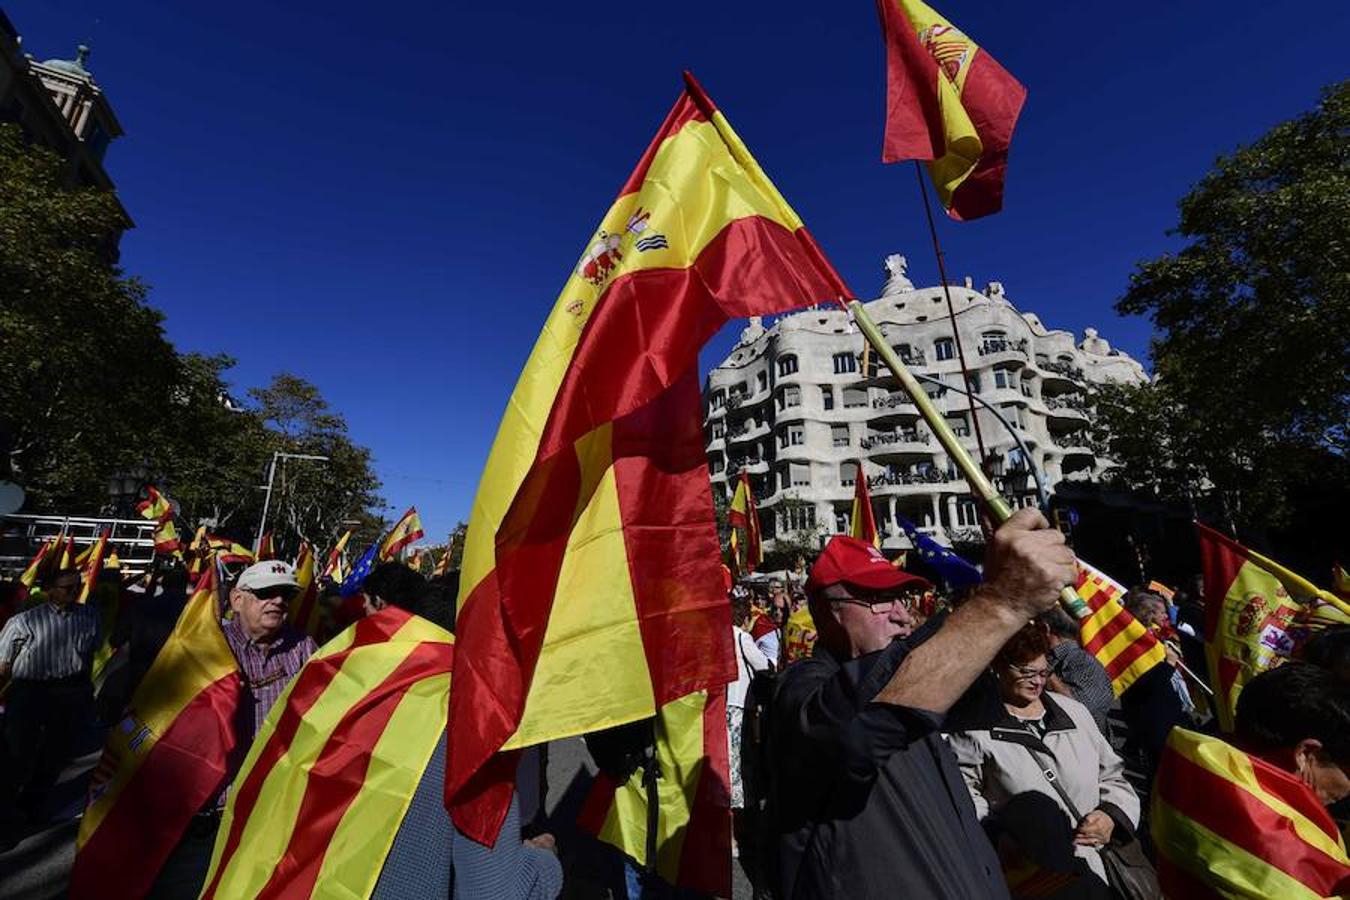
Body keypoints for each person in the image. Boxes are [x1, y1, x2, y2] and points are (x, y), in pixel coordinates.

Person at [771, 509, 1077, 899]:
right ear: (826, 610)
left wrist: (988, 584)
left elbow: (982, 691)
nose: (901, 615)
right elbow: (858, 729)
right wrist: (1003, 599)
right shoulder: (800, 688)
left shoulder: (923, 682)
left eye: (900, 597)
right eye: (879, 600)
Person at [151, 560, 317, 897]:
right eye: (266, 593)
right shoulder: (204, 646)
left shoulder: (304, 648)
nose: (279, 601)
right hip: (206, 812)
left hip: (267, 811)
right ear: (237, 599)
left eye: (285, 594)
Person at [948, 625, 1140, 892]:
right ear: (997, 667)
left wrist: (1111, 817)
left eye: (1043, 672)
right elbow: (965, 797)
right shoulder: (974, 728)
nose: (1038, 681)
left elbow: (1112, 775)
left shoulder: (1074, 712)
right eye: (1026, 672)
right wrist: (1001, 837)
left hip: (1099, 866)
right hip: (1032, 877)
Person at [0, 567, 100, 832]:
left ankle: (34, 805)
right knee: (18, 752)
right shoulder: (25, 621)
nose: (74, 592)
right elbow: (3, 664)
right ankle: (6, 809)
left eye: (77, 587)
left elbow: (88, 655)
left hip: (69, 692)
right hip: (30, 692)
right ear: (50, 590)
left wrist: (84, 689)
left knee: (56, 753)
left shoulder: (89, 617)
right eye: (67, 588)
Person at [1039, 607, 1116, 736]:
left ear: (1045, 629)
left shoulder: (1084, 663)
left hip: (1082, 744)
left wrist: (1048, 676)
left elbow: (1083, 709)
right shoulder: (1055, 658)